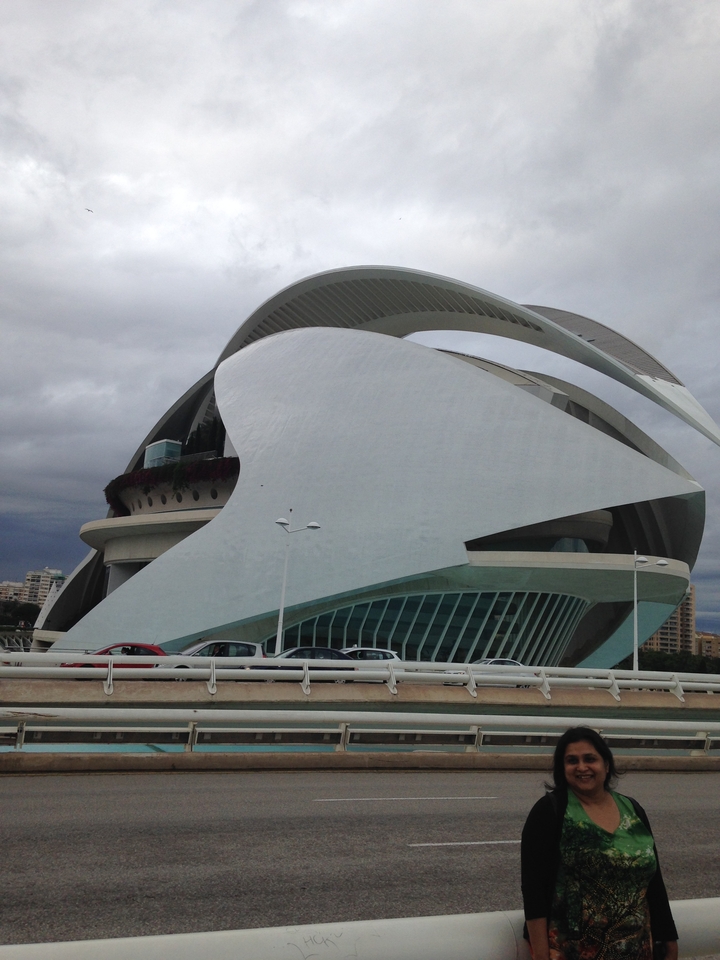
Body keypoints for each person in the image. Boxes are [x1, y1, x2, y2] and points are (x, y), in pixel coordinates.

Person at [521, 726, 678, 960]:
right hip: (571, 952)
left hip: (636, 950)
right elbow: (533, 890)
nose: (582, 767)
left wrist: (669, 939)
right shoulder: (549, 812)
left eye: (590, 759)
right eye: (572, 761)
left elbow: (653, 883)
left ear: (606, 765)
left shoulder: (633, 810)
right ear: (562, 769)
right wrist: (541, 955)